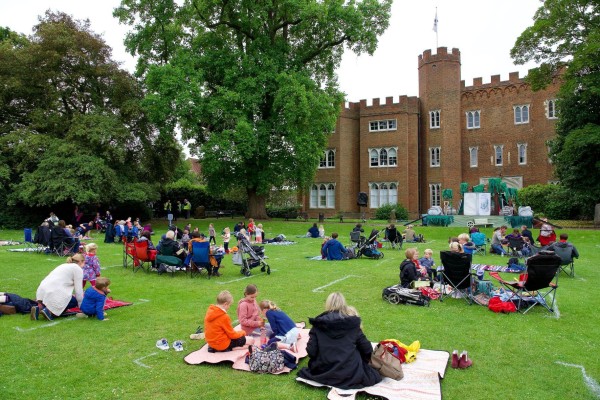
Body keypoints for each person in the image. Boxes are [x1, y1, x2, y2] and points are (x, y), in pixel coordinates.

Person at [297, 292, 381, 389]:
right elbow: (367, 349)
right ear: (344, 304)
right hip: (350, 373)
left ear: (327, 304)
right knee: (372, 374)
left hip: (323, 370)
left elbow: (311, 351)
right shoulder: (352, 324)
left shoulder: (318, 324)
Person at [31, 254, 85, 321]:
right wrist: (81, 307)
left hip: (42, 289)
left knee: (49, 300)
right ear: (81, 261)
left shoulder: (63, 265)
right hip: (54, 291)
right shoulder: (77, 269)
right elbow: (78, 290)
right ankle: (49, 312)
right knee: (73, 301)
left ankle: (39, 308)